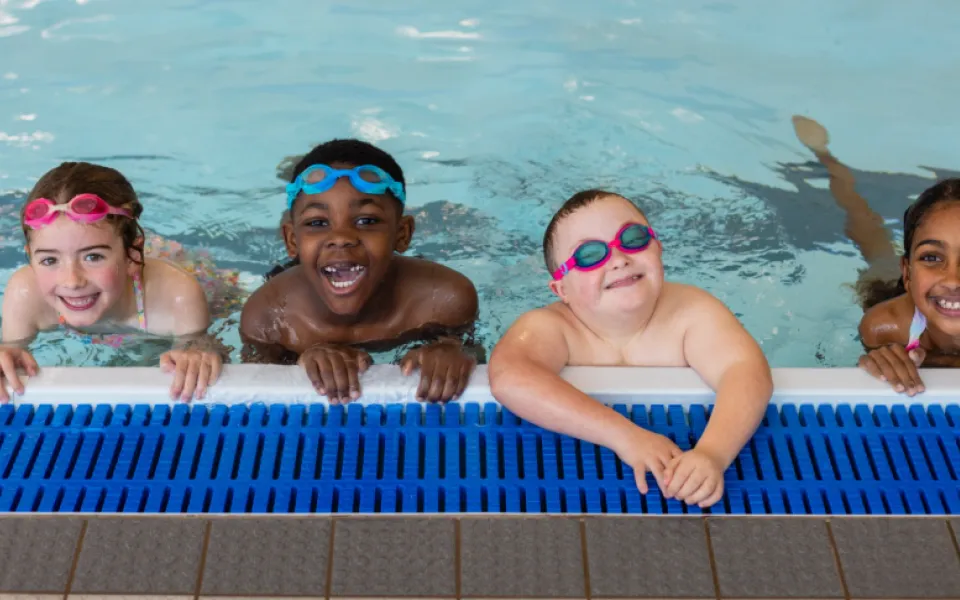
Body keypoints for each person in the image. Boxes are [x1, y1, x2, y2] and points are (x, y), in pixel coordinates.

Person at [488, 190, 773, 507]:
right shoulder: (553, 328)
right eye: (588, 255)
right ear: (561, 288)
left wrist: (713, 452)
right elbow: (509, 378)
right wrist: (626, 437)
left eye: (633, 238)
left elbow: (745, 370)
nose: (619, 259)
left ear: (659, 247)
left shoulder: (691, 312)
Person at [240, 139, 479, 404]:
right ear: (292, 241)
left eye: (366, 220)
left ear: (402, 234)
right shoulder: (270, 316)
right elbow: (255, 389)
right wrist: (301, 360)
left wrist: (451, 351)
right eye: (317, 223)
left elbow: (472, 351)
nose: (341, 237)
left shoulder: (443, 299)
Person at [0, 162, 241, 402]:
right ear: (30, 258)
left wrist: (198, 352)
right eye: (49, 260)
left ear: (132, 256)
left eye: (93, 257)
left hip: (184, 271)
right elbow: (11, 353)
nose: (72, 281)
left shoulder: (177, 295)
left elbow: (200, 352)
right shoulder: (25, 293)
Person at [794, 115, 960, 396]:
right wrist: (883, 361)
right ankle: (826, 158)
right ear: (907, 273)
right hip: (885, 289)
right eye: (931, 257)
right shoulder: (884, 328)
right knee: (867, 230)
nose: (953, 279)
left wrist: (933, 362)